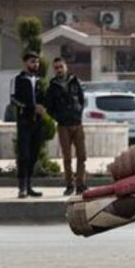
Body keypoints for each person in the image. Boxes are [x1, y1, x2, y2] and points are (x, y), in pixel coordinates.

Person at [47, 57, 87, 195]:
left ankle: (80, 184)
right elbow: (49, 107)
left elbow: (82, 100)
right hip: (63, 125)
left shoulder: (75, 81)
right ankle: (69, 185)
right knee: (67, 157)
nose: (59, 70)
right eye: (56, 67)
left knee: (82, 156)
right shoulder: (52, 86)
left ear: (66, 67)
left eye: (61, 67)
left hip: (77, 123)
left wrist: (78, 112)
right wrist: (59, 117)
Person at [11, 51, 46, 199]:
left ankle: (29, 186)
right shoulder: (17, 79)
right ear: (25, 63)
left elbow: (44, 98)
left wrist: (44, 108)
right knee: (24, 155)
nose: (35, 64)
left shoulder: (39, 80)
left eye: (37, 62)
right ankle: (22, 187)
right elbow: (13, 100)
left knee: (33, 155)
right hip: (24, 121)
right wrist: (30, 108)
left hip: (37, 122)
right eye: (32, 62)